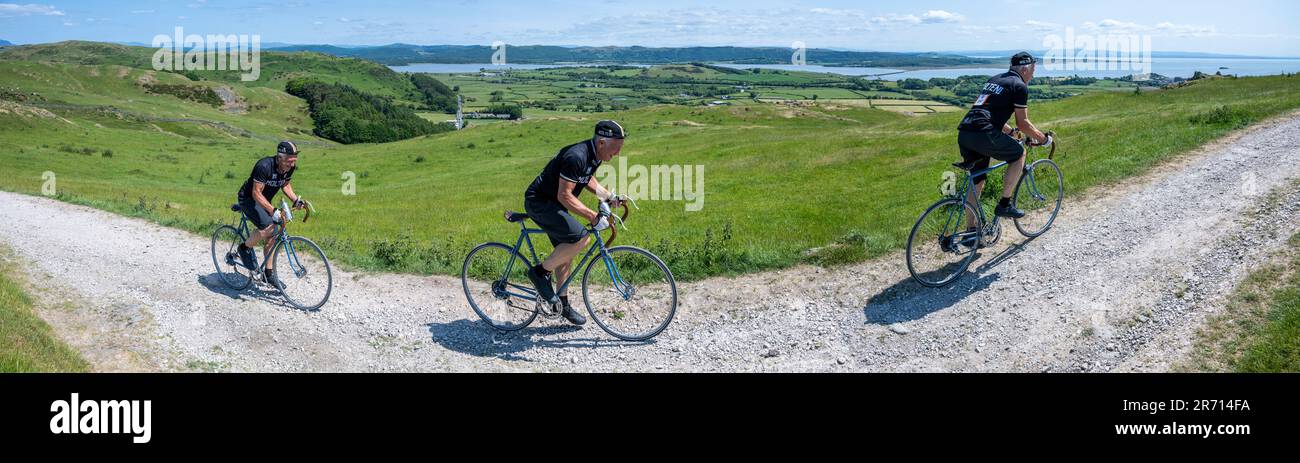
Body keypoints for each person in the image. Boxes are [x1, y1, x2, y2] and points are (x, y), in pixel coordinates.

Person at [522, 120, 628, 325]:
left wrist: (608, 197)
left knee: (567, 250)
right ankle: (539, 273)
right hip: (540, 202)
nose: (617, 154)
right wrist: (593, 217)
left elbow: (586, 178)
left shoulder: (594, 155)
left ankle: (561, 305)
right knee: (581, 238)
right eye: (616, 149)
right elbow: (564, 195)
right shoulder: (576, 156)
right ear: (602, 143)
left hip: (554, 205)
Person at [956, 51, 1053, 234]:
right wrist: (1044, 139)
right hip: (984, 133)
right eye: (1033, 69)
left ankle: (971, 231)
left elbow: (986, 113)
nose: (1033, 74)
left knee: (977, 181)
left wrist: (1011, 132)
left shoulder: (994, 80)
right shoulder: (1019, 86)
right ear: (1025, 69)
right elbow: (1023, 123)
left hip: (966, 132)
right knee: (1019, 154)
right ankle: (1005, 204)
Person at [234, 141, 306, 289]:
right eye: (289, 161)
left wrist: (295, 200)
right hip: (249, 198)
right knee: (269, 226)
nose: (292, 165)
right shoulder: (264, 166)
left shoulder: (288, 167)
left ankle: (268, 273)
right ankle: (244, 248)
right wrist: (273, 210)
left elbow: (284, 183)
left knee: (274, 233)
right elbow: (256, 193)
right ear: (279, 157)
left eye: (294, 161)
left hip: (264, 200)